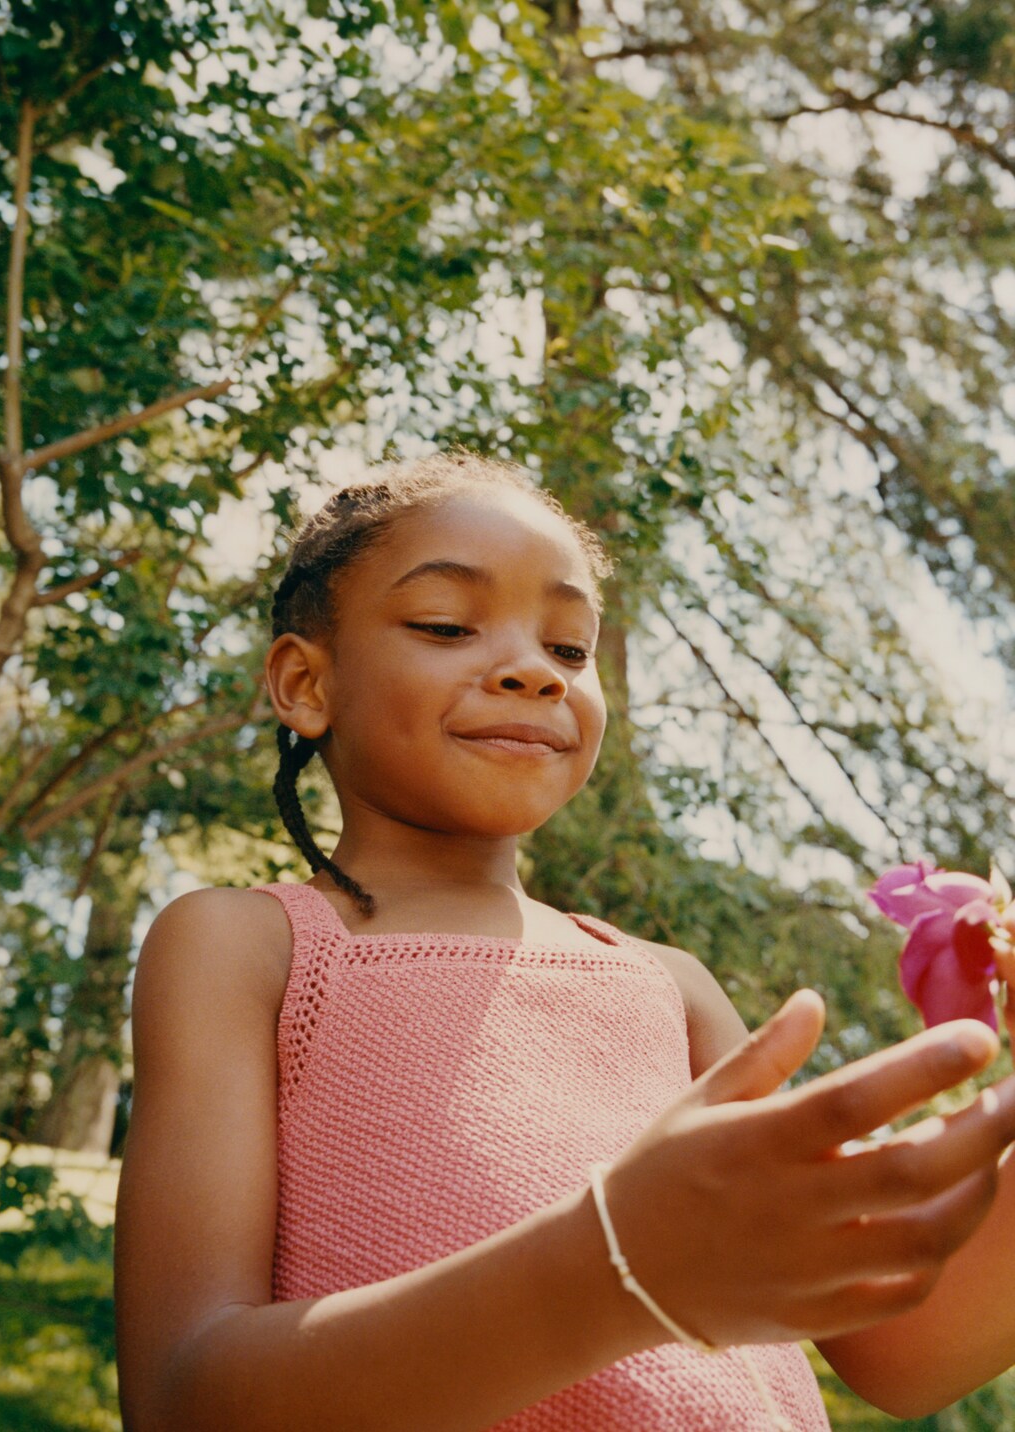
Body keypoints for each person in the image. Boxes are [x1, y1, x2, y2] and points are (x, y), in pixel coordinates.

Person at [114, 452, 1015, 1431]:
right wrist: (613, 1265)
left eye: (572, 649)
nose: (532, 670)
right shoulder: (251, 949)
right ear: (304, 682)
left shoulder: (669, 988)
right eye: (446, 626)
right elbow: (180, 1398)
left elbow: (900, 1343)